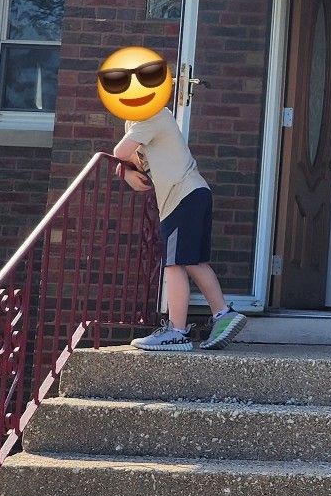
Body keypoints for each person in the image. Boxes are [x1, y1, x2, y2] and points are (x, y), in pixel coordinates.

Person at [97, 46, 245, 352]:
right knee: (192, 261)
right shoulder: (143, 122)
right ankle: (223, 314)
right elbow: (136, 161)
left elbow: (122, 153)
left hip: (182, 194)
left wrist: (121, 169)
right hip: (193, 192)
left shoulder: (151, 114)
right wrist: (125, 172)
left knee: (175, 264)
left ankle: (177, 331)